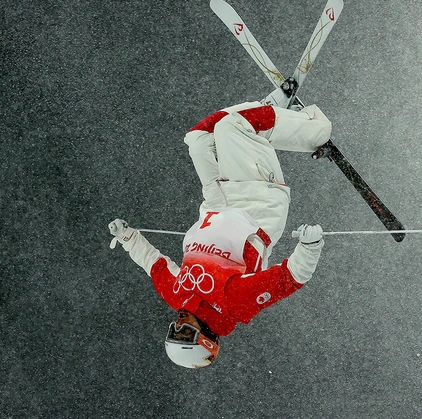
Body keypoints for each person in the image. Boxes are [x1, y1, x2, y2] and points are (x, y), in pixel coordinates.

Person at [108, 99, 332, 368]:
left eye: (173, 331)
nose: (178, 325)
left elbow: (153, 265)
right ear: (205, 338)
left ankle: (270, 108)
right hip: (257, 201)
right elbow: (290, 278)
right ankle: (316, 131)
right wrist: (310, 246)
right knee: (232, 126)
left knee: (198, 139)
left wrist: (127, 237)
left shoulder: (177, 295)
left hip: (217, 202)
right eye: (185, 333)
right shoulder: (234, 304)